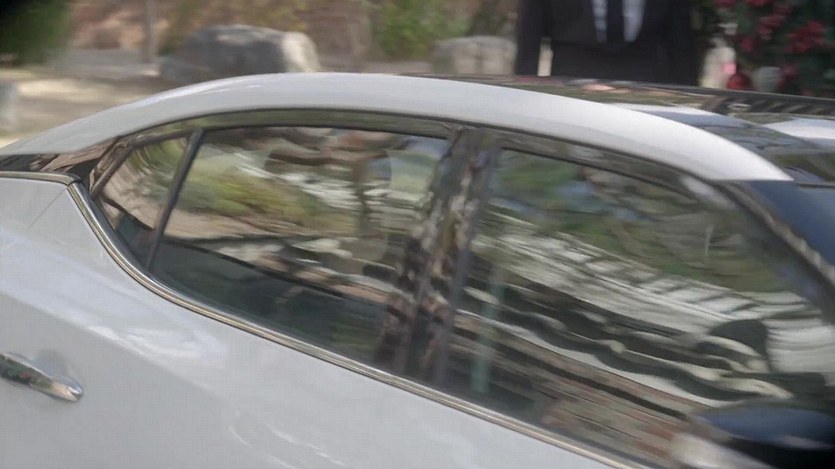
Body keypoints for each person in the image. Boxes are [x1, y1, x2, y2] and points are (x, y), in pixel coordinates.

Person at [514, 0, 699, 85]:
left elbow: (681, 42)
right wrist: (524, 92)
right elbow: (529, 33)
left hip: (644, 85)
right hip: (572, 83)